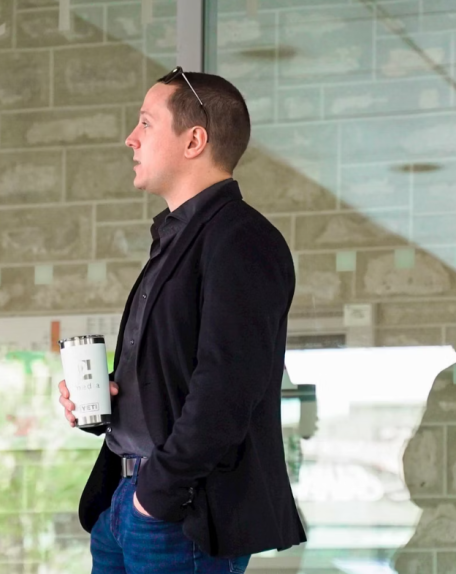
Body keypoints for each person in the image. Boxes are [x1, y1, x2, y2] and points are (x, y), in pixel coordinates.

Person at [58, 68, 306, 573]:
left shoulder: (241, 239)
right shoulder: (176, 237)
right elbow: (178, 376)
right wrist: (108, 399)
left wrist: (157, 495)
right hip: (127, 501)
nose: (131, 138)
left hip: (179, 513)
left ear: (194, 140)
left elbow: (229, 387)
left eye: (146, 123)